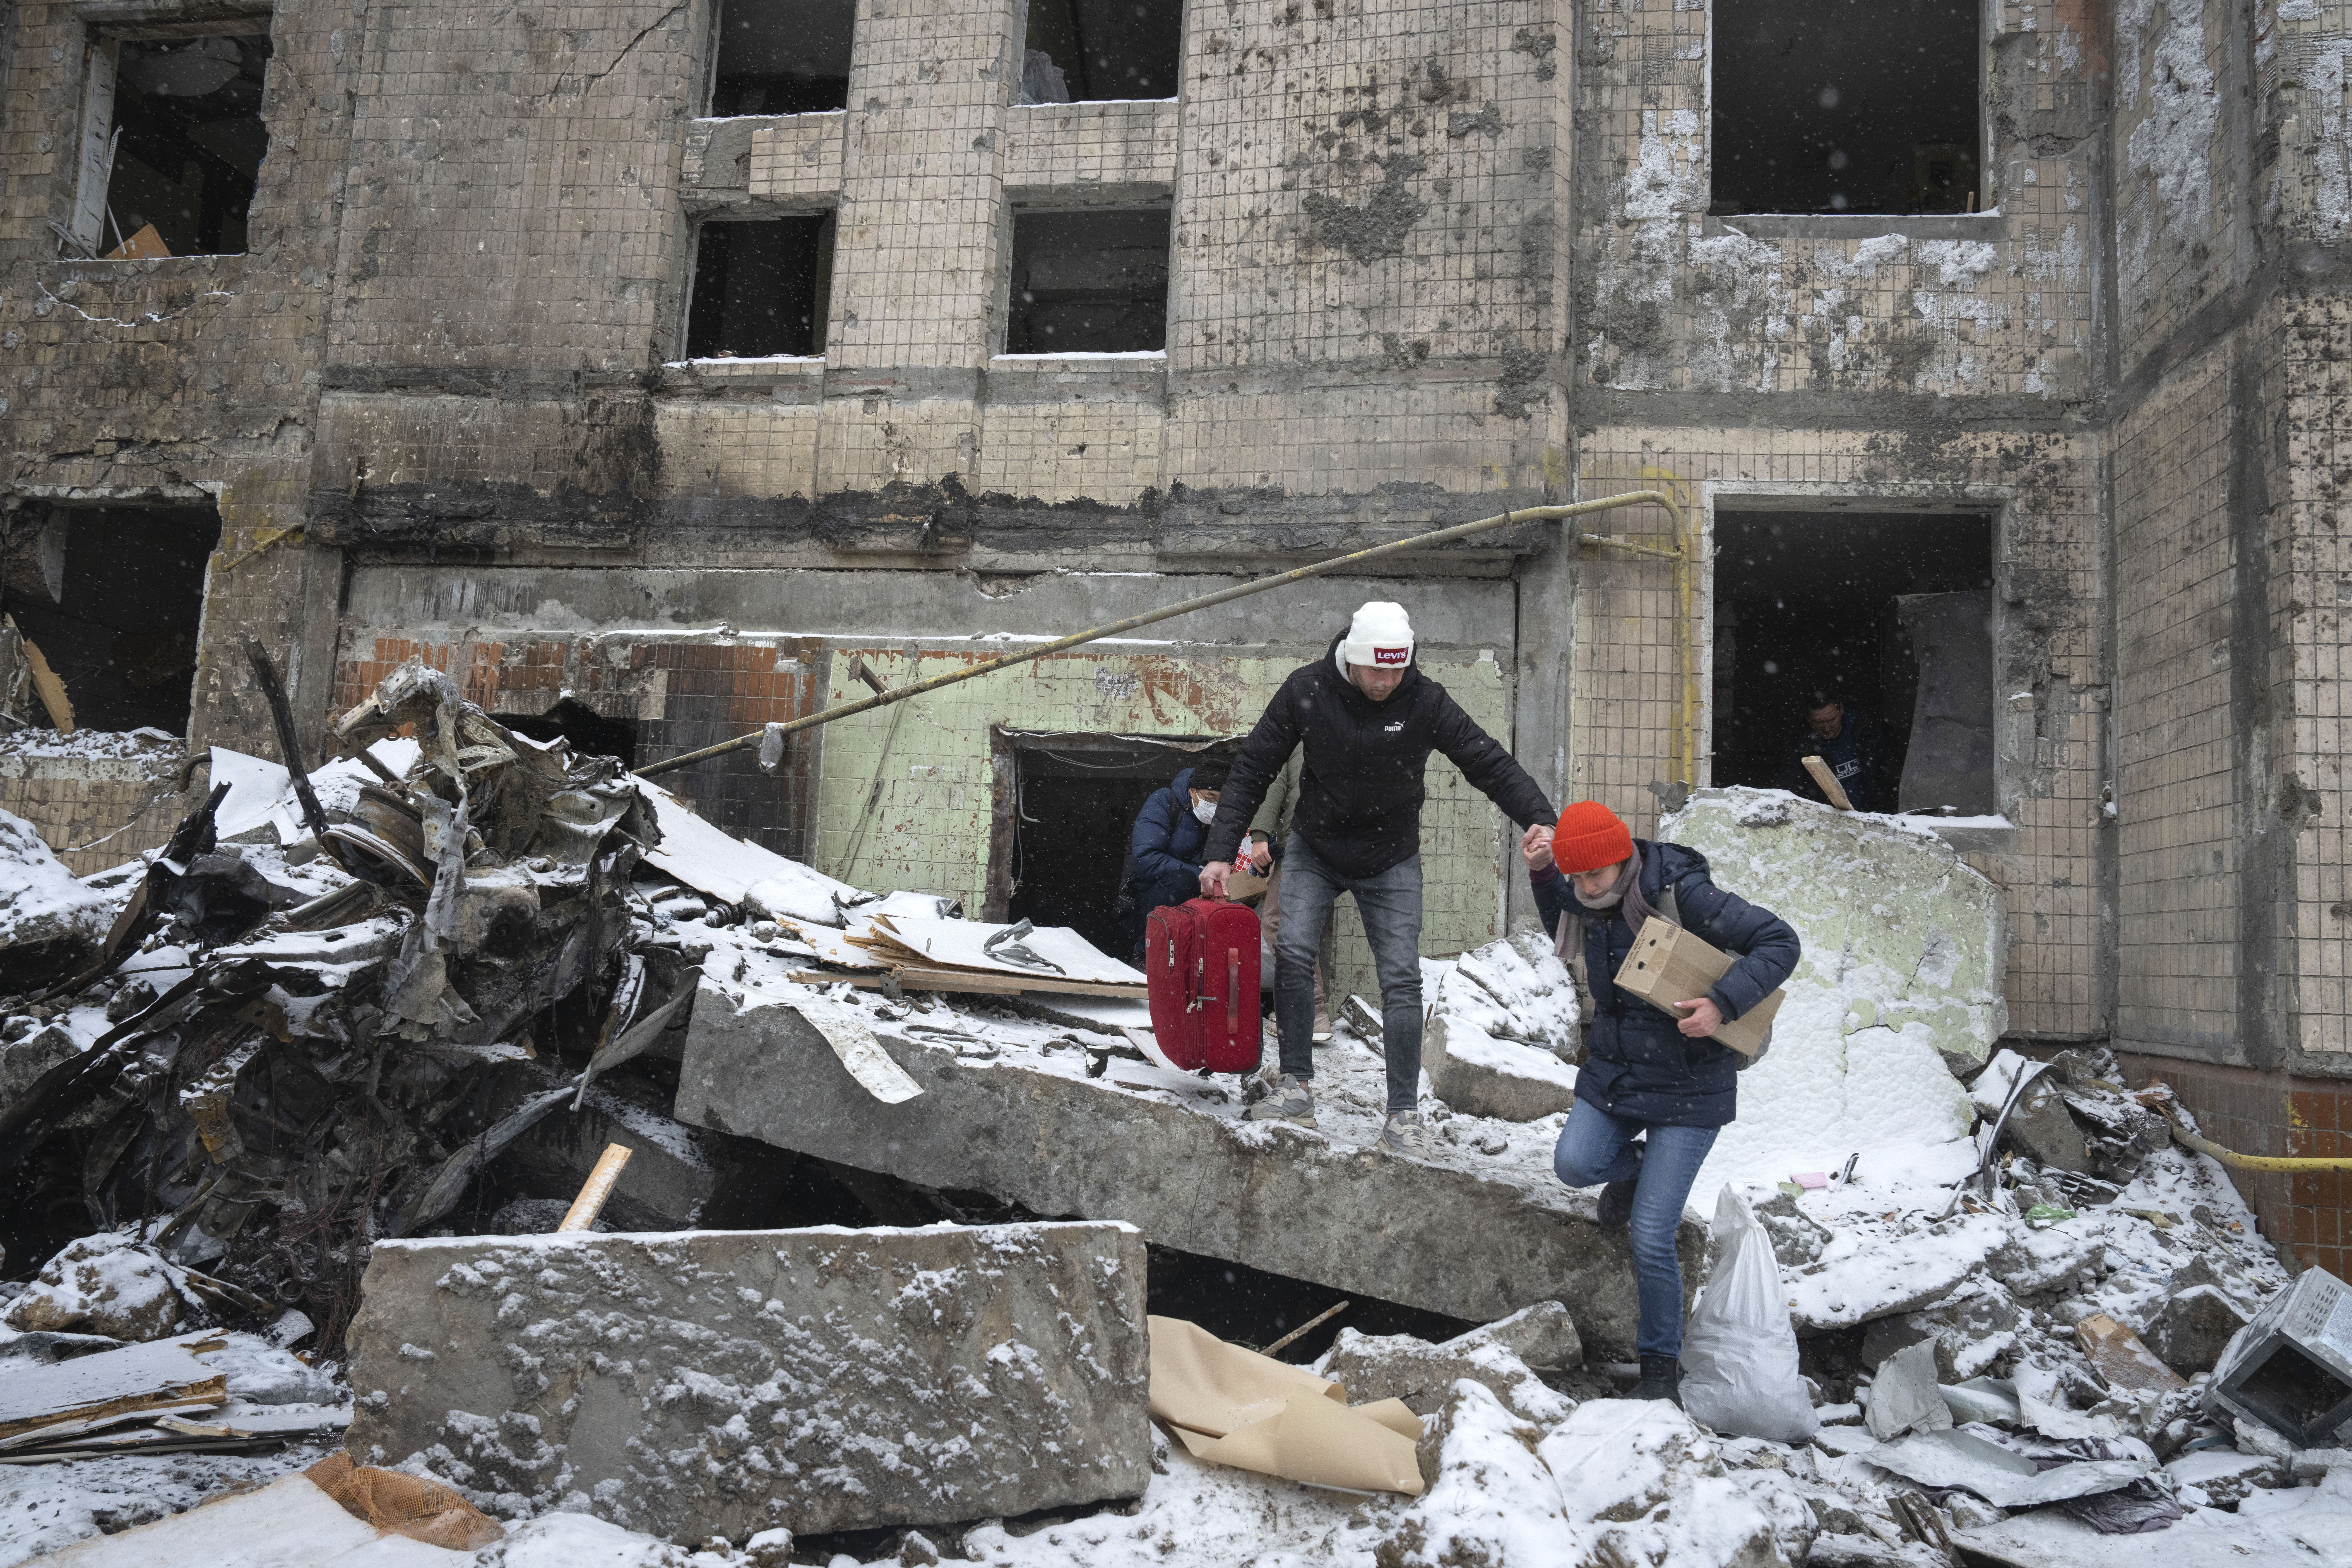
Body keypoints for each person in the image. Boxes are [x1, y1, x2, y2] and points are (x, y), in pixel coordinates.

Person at [1198, 602, 1557, 1155]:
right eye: (1377, 671)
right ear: (1353, 659)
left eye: (1398, 669)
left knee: (1400, 977)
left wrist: (1541, 818)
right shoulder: (1307, 690)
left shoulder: (1425, 700)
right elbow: (1254, 766)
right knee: (1293, 952)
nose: (1388, 682)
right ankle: (1295, 1089)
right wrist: (1222, 850)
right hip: (1316, 847)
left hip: (1390, 856)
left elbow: (1488, 761)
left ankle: (1403, 1114)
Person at [1522, 800, 1800, 1405]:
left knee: (1650, 1232)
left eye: (1592, 875)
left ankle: (1659, 1371)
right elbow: (1562, 918)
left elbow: (1780, 941)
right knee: (1574, 1164)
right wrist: (1546, 874)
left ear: (1622, 857)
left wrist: (1723, 1003)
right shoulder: (1588, 900)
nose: (1584, 888)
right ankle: (1643, 1168)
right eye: (1576, 878)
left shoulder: (1683, 892)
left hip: (1690, 1085)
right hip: (1619, 1073)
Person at [1120, 758, 1228, 959]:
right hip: (1148, 907)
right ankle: (1145, 955)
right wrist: (1203, 875)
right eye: (1210, 798)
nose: (1214, 807)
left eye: (1220, 802)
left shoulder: (1225, 819)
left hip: (1197, 911)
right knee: (1183, 880)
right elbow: (1146, 859)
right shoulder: (1165, 802)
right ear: (1192, 791)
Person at [1779, 692, 1884, 812]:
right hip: (1827, 819)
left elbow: (1890, 774)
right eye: (1818, 723)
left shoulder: (1868, 733)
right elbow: (1788, 790)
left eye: (1832, 720)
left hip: (1873, 814)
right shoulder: (1799, 747)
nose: (1827, 728)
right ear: (1808, 718)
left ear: (1841, 709)